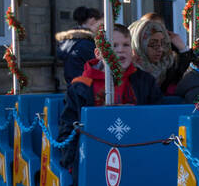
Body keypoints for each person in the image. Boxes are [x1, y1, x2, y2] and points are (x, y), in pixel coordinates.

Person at [58, 25, 165, 175]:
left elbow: (157, 116)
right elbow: (68, 127)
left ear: (132, 51)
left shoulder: (144, 81)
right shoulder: (81, 87)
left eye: (125, 45)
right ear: (98, 53)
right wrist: (72, 163)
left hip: (136, 150)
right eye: (114, 45)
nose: (121, 50)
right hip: (93, 155)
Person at [129, 13, 194, 95]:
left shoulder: (169, 61)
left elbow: (190, 76)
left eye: (159, 29)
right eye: (148, 30)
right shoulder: (129, 65)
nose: (160, 49)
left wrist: (183, 50)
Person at [55, 7, 102, 83]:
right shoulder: (86, 43)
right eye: (100, 24)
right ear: (92, 21)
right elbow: (98, 67)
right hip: (86, 86)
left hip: (74, 85)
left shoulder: (70, 40)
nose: (101, 28)